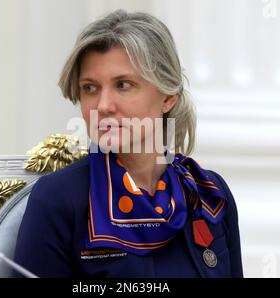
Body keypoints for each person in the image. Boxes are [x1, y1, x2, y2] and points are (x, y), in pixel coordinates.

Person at [13, 9, 243, 278]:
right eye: (90, 88)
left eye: (123, 85)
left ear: (168, 97)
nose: (103, 106)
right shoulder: (58, 200)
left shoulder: (209, 193)